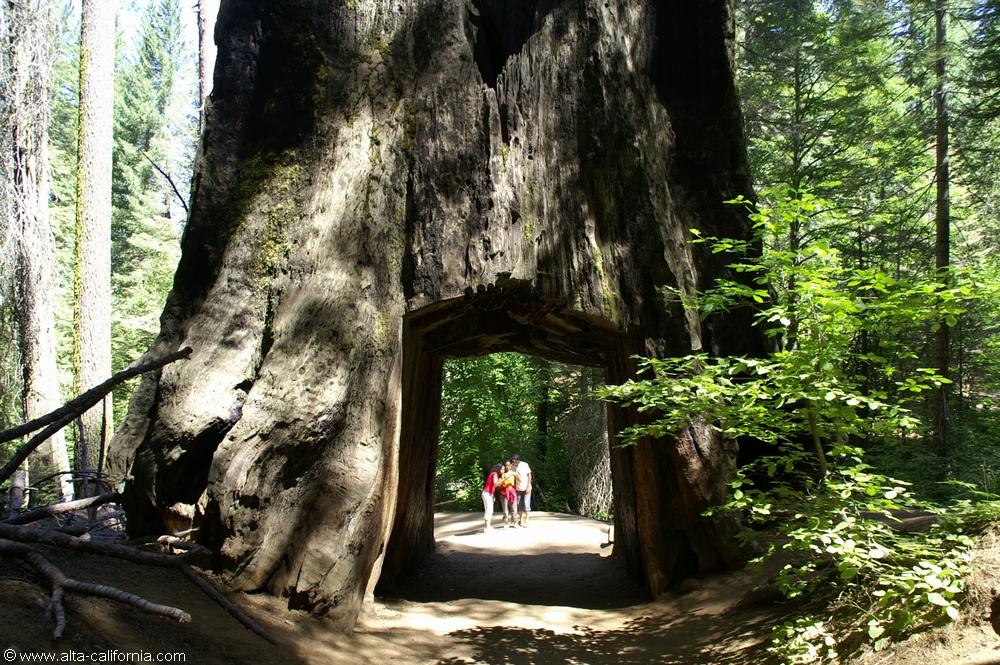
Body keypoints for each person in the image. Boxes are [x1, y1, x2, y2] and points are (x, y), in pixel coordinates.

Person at [511, 454, 532, 527]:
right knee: (519, 504)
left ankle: (527, 520)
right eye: (513, 461)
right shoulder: (512, 466)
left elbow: (529, 475)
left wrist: (529, 485)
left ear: (518, 460)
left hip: (526, 487)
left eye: (515, 461)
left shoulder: (525, 464)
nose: (514, 462)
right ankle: (521, 520)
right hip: (518, 488)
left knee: (526, 504)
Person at [481, 464, 503, 532]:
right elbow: (496, 484)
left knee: (488, 510)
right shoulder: (494, 474)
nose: (503, 470)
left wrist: (493, 495)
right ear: (498, 469)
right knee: (489, 510)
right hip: (487, 494)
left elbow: (492, 486)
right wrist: (503, 479)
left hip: (487, 493)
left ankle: (488, 527)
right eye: (502, 469)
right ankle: (487, 528)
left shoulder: (493, 474)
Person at [499, 462, 518, 528]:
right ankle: (506, 523)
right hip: (504, 492)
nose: (507, 467)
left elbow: (519, 479)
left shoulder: (513, 473)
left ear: (511, 466)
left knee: (514, 508)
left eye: (509, 465)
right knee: (505, 509)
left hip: (512, 491)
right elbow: (500, 484)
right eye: (506, 465)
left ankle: (515, 522)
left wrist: (514, 473)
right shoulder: (503, 474)